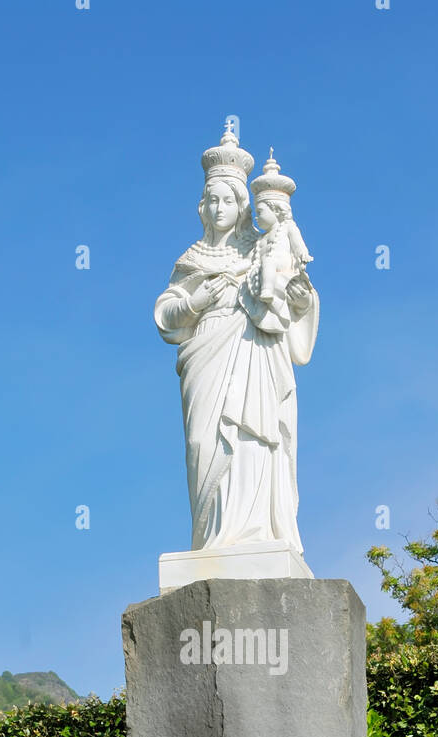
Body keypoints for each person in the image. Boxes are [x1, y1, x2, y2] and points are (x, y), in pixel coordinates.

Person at [154, 127, 319, 554]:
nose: (219, 207)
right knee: (203, 443)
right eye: (212, 199)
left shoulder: (260, 249)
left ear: (242, 203)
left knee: (255, 439)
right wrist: (196, 300)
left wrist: (299, 296)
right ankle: (213, 539)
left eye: (228, 199)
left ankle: (258, 533)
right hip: (207, 352)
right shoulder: (193, 258)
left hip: (254, 352)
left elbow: (292, 295)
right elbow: (165, 316)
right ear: (202, 206)